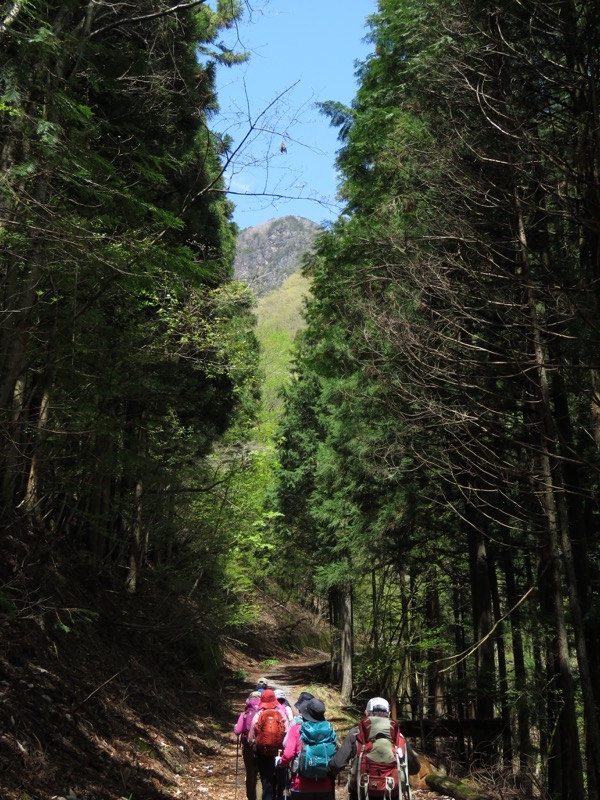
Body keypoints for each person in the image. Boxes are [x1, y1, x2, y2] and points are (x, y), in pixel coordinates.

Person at [327, 697, 420, 796]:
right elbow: (414, 768)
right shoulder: (397, 735)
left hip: (361, 793)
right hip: (391, 792)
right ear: (388, 714)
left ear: (366, 713)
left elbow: (337, 764)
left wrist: (328, 772)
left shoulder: (356, 733)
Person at [276, 697, 337, 800]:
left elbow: (288, 754)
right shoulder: (329, 730)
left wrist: (281, 763)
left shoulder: (297, 729)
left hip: (300, 786)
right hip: (325, 786)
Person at [248, 688, 290, 800]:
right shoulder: (281, 714)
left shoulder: (258, 715)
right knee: (279, 781)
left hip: (263, 753)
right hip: (279, 753)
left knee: (267, 782)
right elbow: (287, 734)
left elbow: (251, 737)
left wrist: (254, 747)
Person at [233, 694, 261, 800]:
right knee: (259, 774)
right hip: (260, 746)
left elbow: (237, 731)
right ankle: (259, 796)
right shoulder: (262, 713)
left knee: (250, 772)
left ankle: (250, 797)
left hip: (247, 747)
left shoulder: (244, 714)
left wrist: (235, 727)